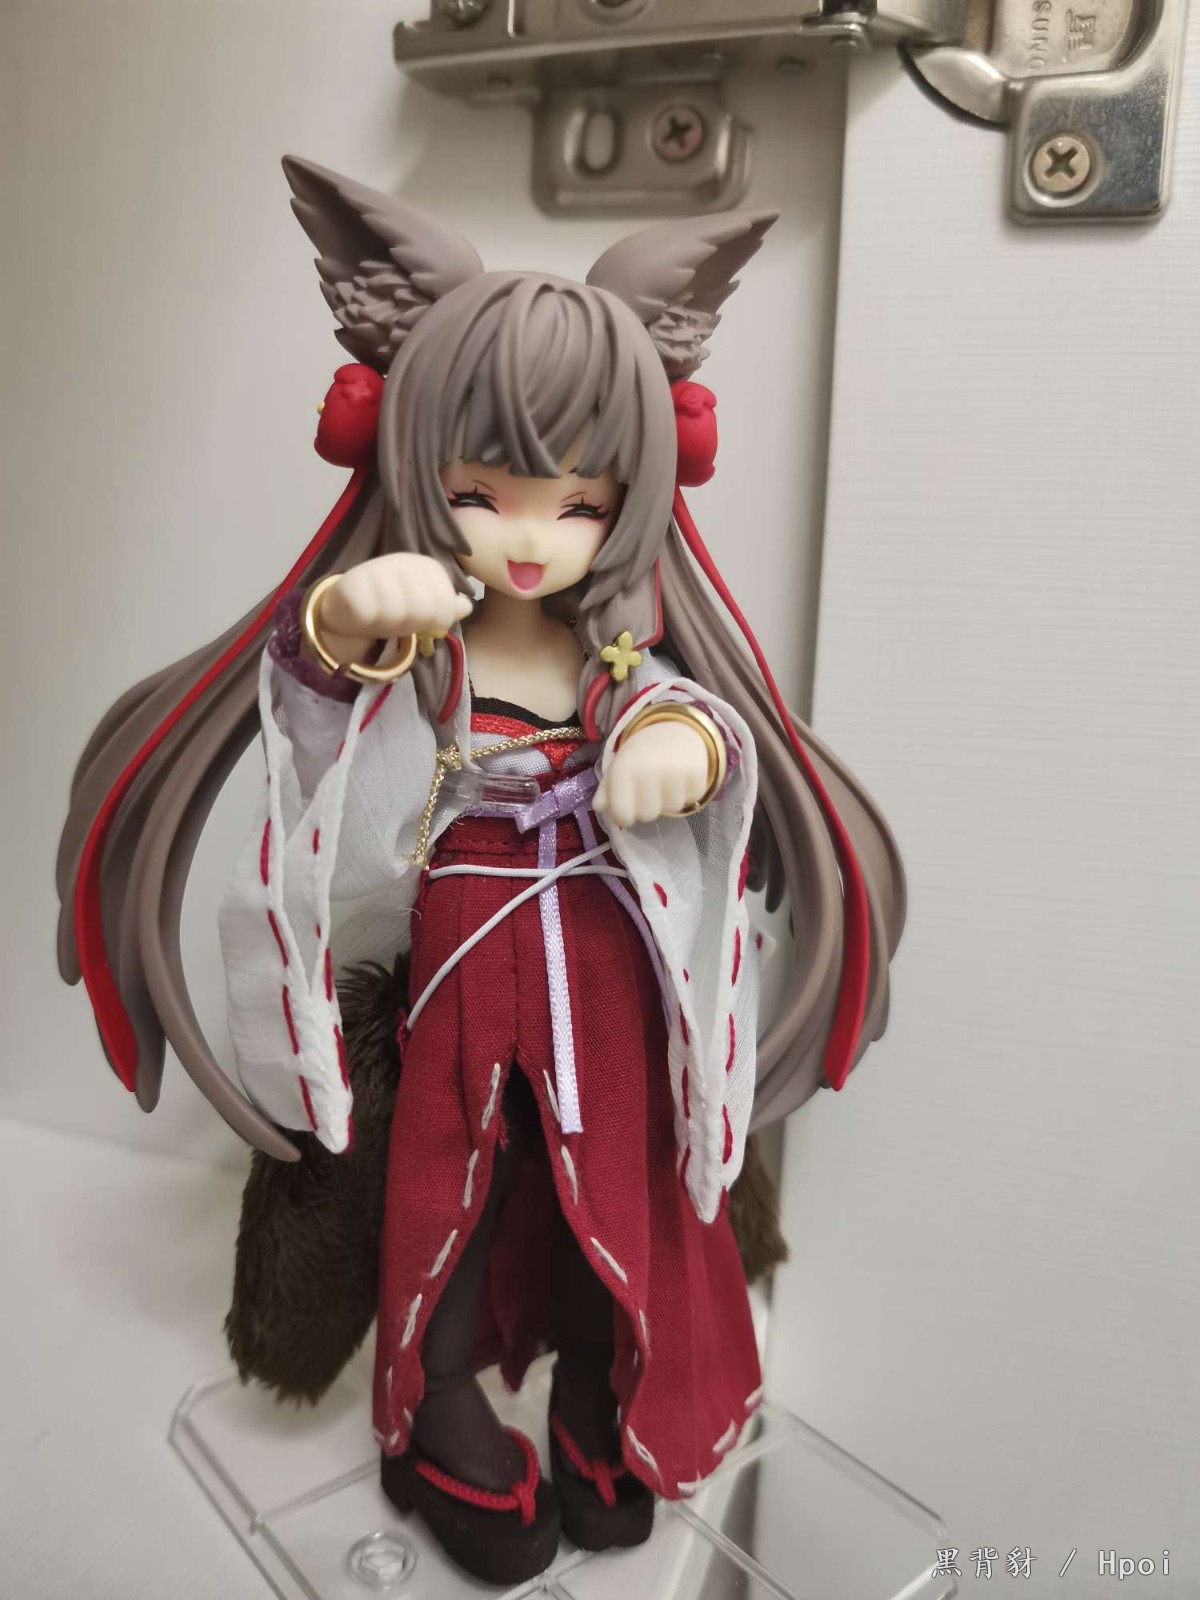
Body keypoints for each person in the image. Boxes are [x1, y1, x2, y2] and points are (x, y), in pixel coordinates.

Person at [56, 157, 906, 1587]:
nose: (529, 535)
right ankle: (434, 1409)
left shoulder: (617, 646)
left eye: (579, 503)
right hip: (462, 954)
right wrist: (348, 625)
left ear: (632, 495)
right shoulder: (423, 632)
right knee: (447, 1189)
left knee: (610, 1180)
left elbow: (679, 711)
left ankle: (601, 1395)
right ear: (414, 469)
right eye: (480, 492)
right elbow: (319, 722)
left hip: (606, 963)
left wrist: (682, 746)